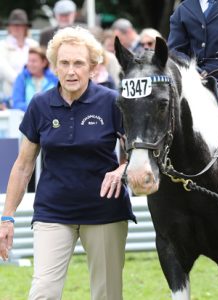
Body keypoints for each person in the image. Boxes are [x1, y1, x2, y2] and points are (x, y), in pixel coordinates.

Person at [0, 26, 135, 300]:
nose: (71, 71)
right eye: (64, 63)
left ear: (93, 68)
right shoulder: (39, 105)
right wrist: (6, 218)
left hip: (105, 213)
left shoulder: (113, 103)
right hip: (53, 212)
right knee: (43, 293)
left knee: (107, 295)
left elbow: (137, 154)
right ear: (54, 67)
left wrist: (122, 170)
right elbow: (23, 165)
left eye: (78, 63)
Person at [0, 9, 38, 102]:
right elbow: (4, 69)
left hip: (34, 90)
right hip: (11, 92)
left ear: (25, 27)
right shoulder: (2, 45)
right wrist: (21, 83)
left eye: (20, 25)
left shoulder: (34, 45)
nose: (16, 27)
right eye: (13, 25)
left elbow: (39, 66)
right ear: (9, 27)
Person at [12, 47, 58, 112]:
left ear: (44, 63)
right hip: (28, 117)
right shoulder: (21, 78)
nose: (30, 64)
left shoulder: (54, 79)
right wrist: (36, 108)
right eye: (29, 61)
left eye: (34, 61)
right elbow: (17, 103)